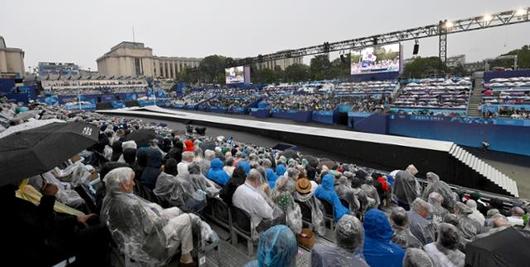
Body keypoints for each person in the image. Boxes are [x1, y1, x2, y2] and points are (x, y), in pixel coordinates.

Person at [101, 167, 216, 266]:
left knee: (176, 210)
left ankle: (193, 236)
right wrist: (163, 218)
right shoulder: (130, 204)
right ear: (123, 185)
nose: (134, 183)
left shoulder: (112, 200)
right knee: (188, 218)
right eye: (131, 181)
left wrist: (157, 214)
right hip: (152, 245)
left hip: (135, 241)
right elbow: (151, 226)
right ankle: (186, 259)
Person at [1, 182, 108, 267]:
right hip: (48, 250)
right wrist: (49, 197)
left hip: (50, 240)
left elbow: (43, 219)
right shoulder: (11, 207)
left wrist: (75, 219)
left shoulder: (12, 201)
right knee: (101, 230)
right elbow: (43, 226)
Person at [232, 169, 274, 236]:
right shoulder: (256, 197)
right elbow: (268, 214)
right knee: (275, 217)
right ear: (257, 180)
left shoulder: (239, 188)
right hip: (251, 226)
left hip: (239, 221)